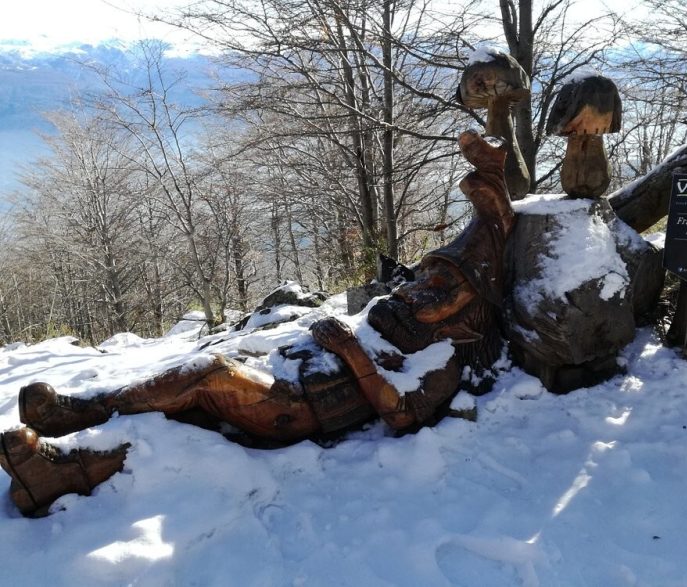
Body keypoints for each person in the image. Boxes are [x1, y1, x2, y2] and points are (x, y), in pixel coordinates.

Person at [0, 130, 517, 517]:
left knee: (208, 375)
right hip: (288, 376)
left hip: (297, 406)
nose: (419, 288)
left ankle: (80, 413)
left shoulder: (443, 359)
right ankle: (58, 466)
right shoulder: (402, 319)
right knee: (184, 416)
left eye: (441, 289)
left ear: (468, 316)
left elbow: (403, 415)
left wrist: (351, 353)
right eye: (425, 276)